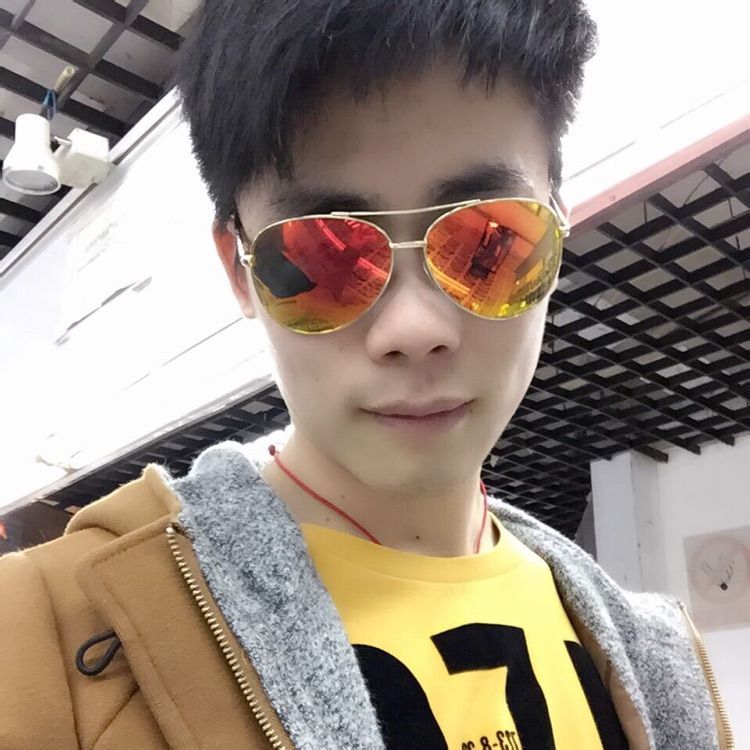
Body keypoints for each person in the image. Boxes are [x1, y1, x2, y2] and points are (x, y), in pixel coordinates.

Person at [0, 1, 733, 748]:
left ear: (556, 230)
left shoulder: (659, 665)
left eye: (487, 240)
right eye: (324, 254)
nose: (415, 330)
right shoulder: (43, 638)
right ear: (240, 271)